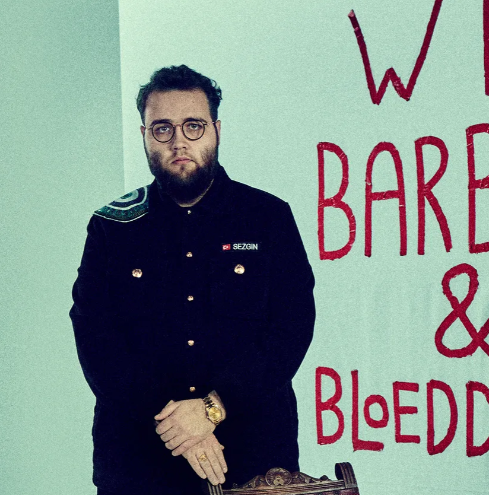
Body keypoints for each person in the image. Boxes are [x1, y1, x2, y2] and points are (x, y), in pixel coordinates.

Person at [70, 65, 315, 495]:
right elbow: (96, 340)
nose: (179, 141)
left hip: (253, 459)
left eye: (193, 126)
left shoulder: (267, 217)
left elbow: (291, 329)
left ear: (216, 130)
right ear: (145, 135)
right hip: (139, 463)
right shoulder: (112, 228)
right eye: (162, 128)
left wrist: (211, 409)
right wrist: (180, 426)